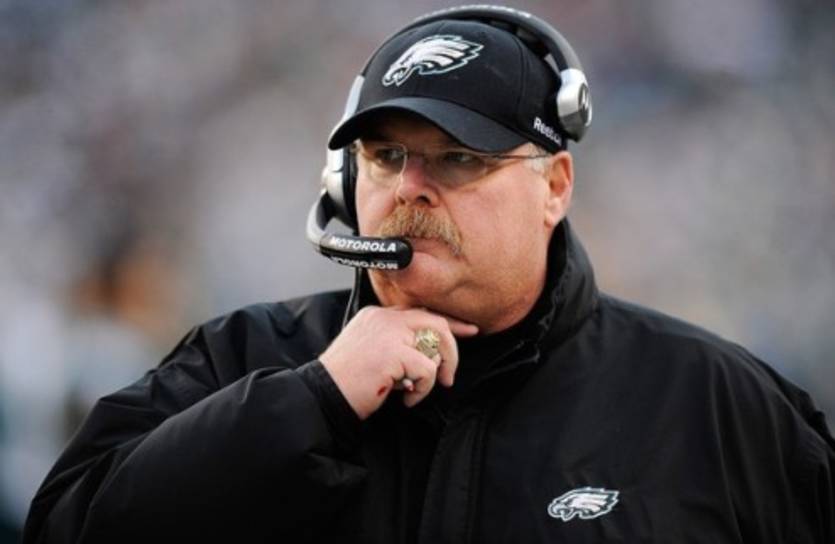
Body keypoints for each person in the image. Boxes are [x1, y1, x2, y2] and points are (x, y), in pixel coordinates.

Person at [23, 5, 834, 543]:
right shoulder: (244, 362)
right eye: (385, 156)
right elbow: (67, 526)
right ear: (345, 179)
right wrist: (312, 403)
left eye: (460, 158)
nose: (410, 186)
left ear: (554, 187)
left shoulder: (712, 402)